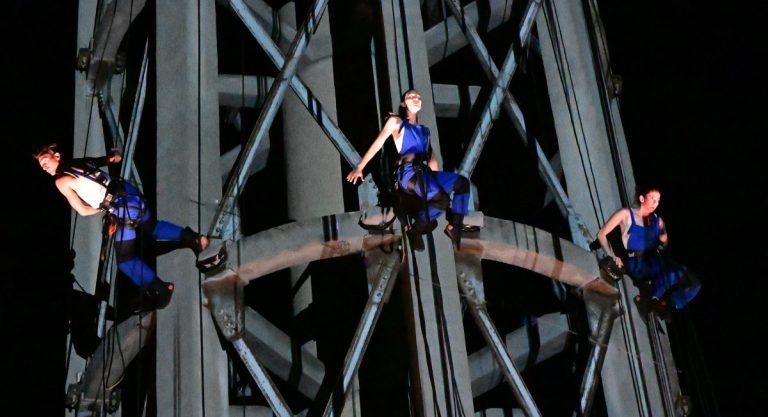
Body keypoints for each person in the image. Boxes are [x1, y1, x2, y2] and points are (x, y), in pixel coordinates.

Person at [35, 143, 208, 311]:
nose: (44, 167)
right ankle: (194, 238)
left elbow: (83, 211)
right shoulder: (81, 162)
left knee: (125, 259)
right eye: (41, 165)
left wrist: (106, 208)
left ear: (56, 156)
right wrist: (115, 153)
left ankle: (162, 289)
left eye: (45, 161)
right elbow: (114, 158)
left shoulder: (61, 181)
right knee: (151, 227)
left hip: (122, 207)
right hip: (130, 193)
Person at [346, 89, 471, 251]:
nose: (416, 98)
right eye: (411, 96)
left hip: (425, 174)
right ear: (404, 103)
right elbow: (378, 143)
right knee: (442, 200)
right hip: (408, 174)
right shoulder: (396, 122)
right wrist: (359, 167)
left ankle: (455, 228)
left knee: (462, 183)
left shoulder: (425, 132)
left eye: (418, 96)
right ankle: (415, 231)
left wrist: (438, 183)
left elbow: (432, 160)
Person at [596, 186, 700, 311]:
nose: (655, 203)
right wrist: (612, 255)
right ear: (641, 198)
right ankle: (651, 297)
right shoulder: (626, 214)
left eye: (658, 200)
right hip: (635, 263)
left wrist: (661, 245)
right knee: (671, 274)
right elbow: (601, 234)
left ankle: (666, 304)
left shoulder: (658, 221)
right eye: (652, 198)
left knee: (692, 282)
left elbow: (664, 241)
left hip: (651, 260)